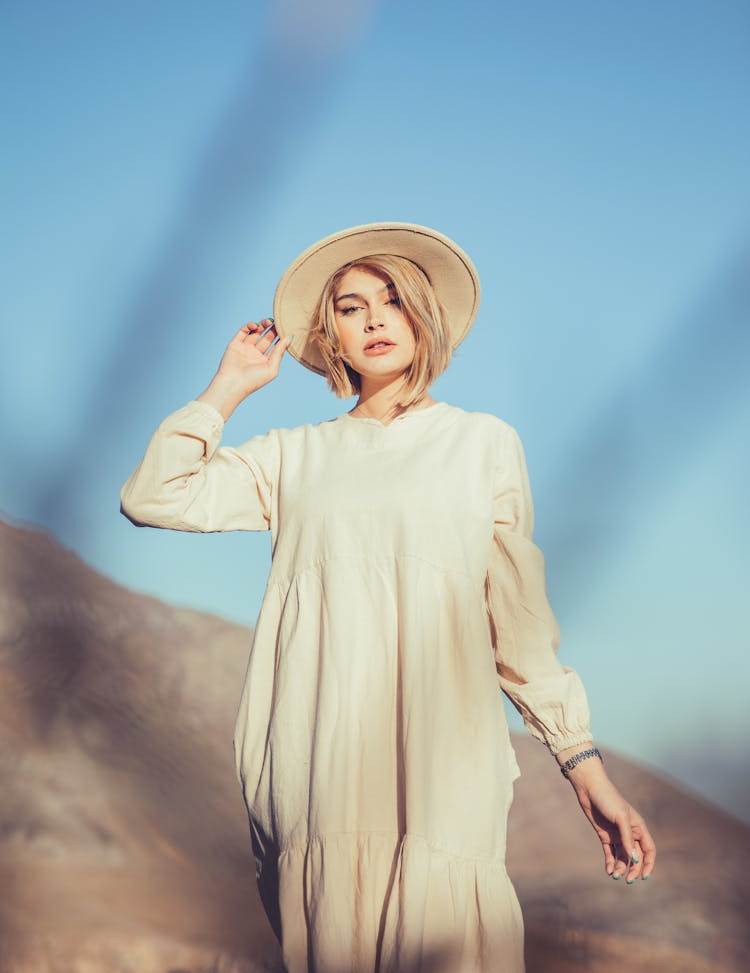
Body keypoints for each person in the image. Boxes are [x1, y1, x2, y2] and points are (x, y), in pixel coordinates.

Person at [120, 221, 656, 973]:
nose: (373, 317)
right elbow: (153, 495)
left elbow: (520, 626)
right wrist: (230, 385)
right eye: (349, 306)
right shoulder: (294, 457)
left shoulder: (483, 445)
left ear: (423, 317)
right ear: (330, 336)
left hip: (444, 768)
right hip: (315, 768)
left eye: (392, 298)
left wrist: (584, 766)